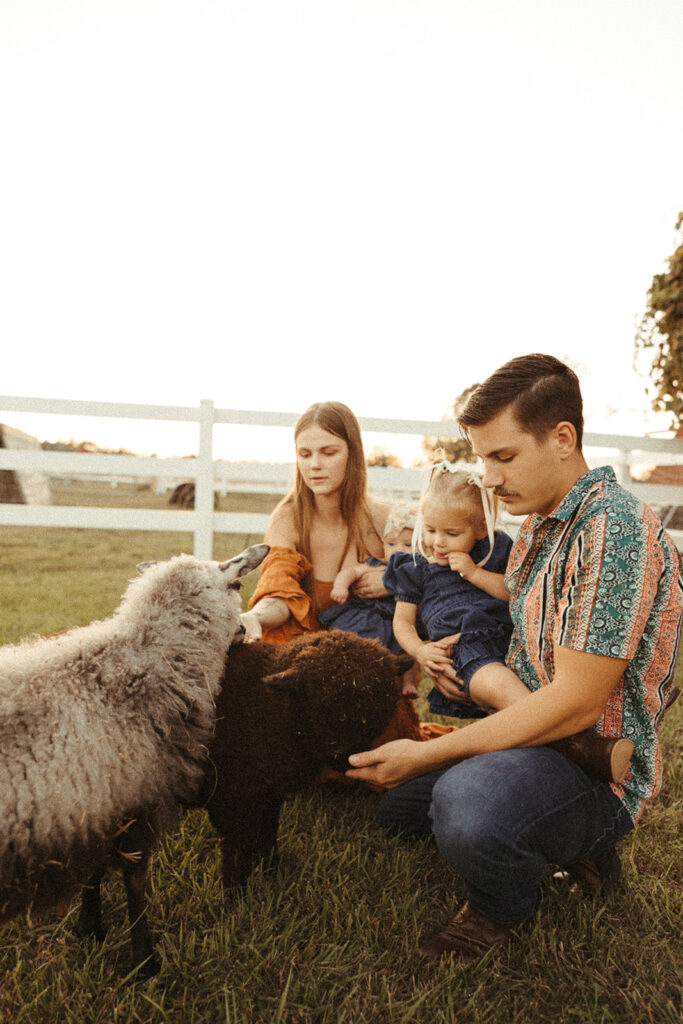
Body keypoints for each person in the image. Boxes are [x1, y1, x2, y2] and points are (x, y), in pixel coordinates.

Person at [346, 354, 682, 962]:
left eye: (502, 456)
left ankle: (501, 911)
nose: (489, 479)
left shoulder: (613, 533)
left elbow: (576, 701)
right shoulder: (538, 525)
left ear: (562, 439)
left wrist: (427, 752)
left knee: (466, 808)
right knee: (401, 811)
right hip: (530, 742)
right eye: (481, 459)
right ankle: (567, 845)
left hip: (595, 766)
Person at [240, 401, 432, 757]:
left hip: (369, 673)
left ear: (352, 454)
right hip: (311, 668)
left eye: (328, 452)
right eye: (305, 453)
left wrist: (391, 580)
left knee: (382, 758)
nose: (315, 465)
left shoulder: (386, 521)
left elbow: (439, 566)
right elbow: (280, 593)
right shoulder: (288, 517)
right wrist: (253, 617)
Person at [318, 502, 419, 695]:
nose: (399, 550)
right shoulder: (375, 565)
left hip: (394, 623)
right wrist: (341, 585)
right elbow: (351, 572)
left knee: (410, 650)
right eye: (391, 544)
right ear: (383, 544)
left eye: (408, 545)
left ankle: (408, 684)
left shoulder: (416, 572)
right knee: (345, 641)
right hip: (362, 616)